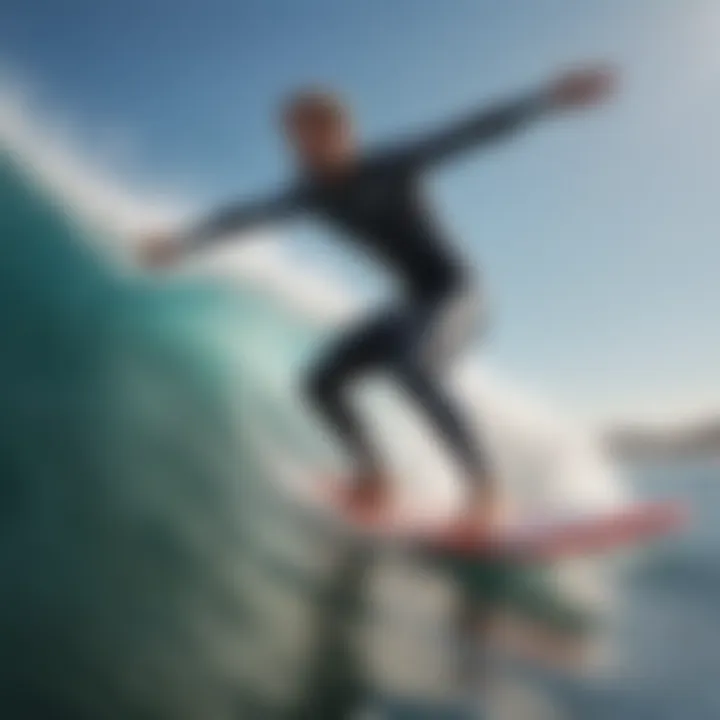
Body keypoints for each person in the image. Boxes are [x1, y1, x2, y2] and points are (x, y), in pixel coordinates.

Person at [140, 66, 615, 528]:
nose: (301, 146)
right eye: (293, 136)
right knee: (320, 382)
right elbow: (244, 216)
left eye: (312, 132)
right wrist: (182, 242)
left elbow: (469, 132)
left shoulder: (390, 165)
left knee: (411, 367)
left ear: (343, 131)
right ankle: (376, 476)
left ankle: (484, 488)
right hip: (410, 305)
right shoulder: (309, 195)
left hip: (458, 294)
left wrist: (545, 100)